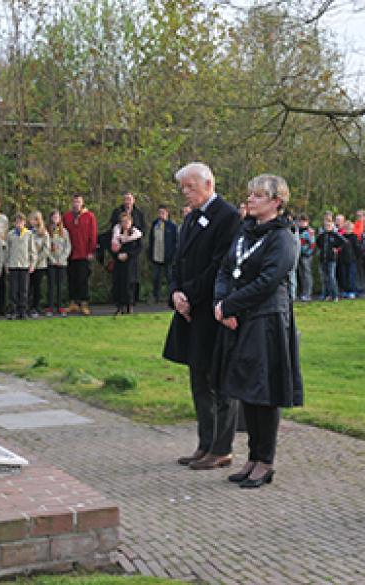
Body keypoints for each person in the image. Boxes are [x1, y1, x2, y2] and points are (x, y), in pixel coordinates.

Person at [212, 174, 303, 489]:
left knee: (264, 392)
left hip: (266, 321)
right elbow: (225, 269)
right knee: (247, 391)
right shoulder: (245, 232)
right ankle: (252, 457)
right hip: (238, 319)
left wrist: (231, 305)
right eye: (250, 194)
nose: (250, 199)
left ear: (276, 202)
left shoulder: (283, 238)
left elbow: (268, 281)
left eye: (259, 196)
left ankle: (266, 460)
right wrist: (222, 303)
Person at [162, 162, 242, 471]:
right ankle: (205, 443)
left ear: (208, 184)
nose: (185, 193)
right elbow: (178, 261)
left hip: (212, 312)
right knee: (198, 381)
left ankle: (222, 448)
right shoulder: (192, 217)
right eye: (183, 187)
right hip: (189, 312)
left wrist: (191, 295)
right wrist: (175, 293)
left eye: (190, 187)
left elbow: (220, 266)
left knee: (219, 382)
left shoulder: (228, 217)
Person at [63, 195, 97, 316]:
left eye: (78, 202)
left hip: (84, 253)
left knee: (83, 279)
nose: (76, 204)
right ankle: (73, 303)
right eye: (74, 201)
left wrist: (91, 251)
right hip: (70, 253)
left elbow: (93, 235)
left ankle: (84, 303)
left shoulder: (89, 216)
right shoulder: (67, 216)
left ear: (82, 203)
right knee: (71, 279)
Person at [111, 213, 144, 315]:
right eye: (123, 221)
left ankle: (130, 306)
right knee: (119, 284)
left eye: (127, 221)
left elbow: (139, 248)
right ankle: (119, 307)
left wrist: (128, 255)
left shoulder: (136, 234)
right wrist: (117, 255)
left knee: (130, 284)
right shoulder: (116, 234)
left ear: (131, 222)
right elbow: (112, 248)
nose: (125, 224)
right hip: (119, 263)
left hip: (131, 263)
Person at [5, 213, 34, 320]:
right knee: (13, 290)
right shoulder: (10, 234)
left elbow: (32, 251)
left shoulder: (29, 234)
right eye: (17, 222)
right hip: (13, 265)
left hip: (24, 265)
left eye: (21, 222)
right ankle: (13, 311)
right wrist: (6, 264)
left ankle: (23, 311)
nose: (19, 224)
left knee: (24, 290)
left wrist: (32, 264)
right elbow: (7, 251)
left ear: (24, 222)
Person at [149, 205, 178, 304]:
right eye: (159, 212)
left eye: (163, 212)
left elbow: (175, 242)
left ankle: (171, 298)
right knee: (156, 278)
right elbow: (151, 240)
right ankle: (156, 296)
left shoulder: (172, 226)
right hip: (157, 256)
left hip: (168, 257)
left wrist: (173, 255)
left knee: (170, 278)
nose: (161, 215)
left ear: (167, 213)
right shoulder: (155, 225)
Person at [26, 211, 50, 318]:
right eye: (30, 219)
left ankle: (36, 307)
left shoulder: (44, 233)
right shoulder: (27, 232)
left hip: (40, 265)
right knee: (28, 287)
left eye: (33, 219)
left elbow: (46, 249)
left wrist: (35, 261)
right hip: (28, 264)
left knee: (37, 287)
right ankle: (27, 306)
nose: (31, 221)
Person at [47, 211, 72, 315]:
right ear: (51, 218)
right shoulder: (48, 231)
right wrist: (52, 259)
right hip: (51, 262)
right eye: (54, 216)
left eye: (57, 216)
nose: (56, 218)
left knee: (60, 286)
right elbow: (46, 247)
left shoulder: (64, 232)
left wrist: (62, 259)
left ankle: (60, 307)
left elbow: (68, 247)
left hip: (62, 262)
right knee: (51, 285)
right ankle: (50, 307)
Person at [315, 215, 344, 301]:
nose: (327, 227)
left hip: (331, 259)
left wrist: (337, 249)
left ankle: (335, 295)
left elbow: (343, 242)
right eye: (326, 225)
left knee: (331, 277)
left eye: (329, 225)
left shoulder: (335, 235)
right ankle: (325, 295)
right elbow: (318, 243)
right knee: (324, 278)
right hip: (322, 259)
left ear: (332, 225)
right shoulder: (322, 235)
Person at [295, 214, 315, 302]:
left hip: (306, 255)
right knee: (300, 275)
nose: (302, 223)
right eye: (300, 221)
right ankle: (301, 292)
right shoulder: (296, 231)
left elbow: (312, 245)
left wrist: (307, 253)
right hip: (297, 255)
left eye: (304, 221)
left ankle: (307, 293)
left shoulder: (309, 232)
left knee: (306, 274)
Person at [339, 218, 360, 298]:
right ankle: (345, 290)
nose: (348, 230)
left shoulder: (354, 237)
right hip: (343, 260)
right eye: (346, 228)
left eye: (349, 228)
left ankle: (352, 291)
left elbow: (357, 249)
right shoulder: (342, 237)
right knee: (344, 276)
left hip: (352, 260)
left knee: (352, 276)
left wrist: (357, 258)